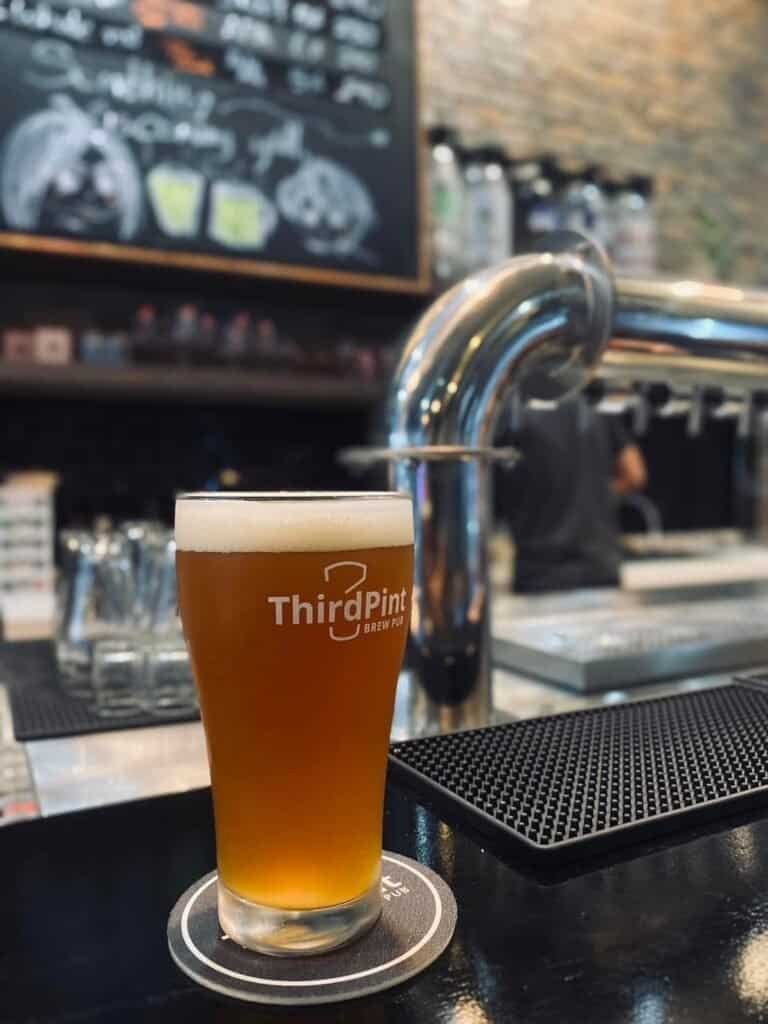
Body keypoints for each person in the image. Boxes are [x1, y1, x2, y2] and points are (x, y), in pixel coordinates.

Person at [497, 397, 647, 593]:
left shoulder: (514, 408)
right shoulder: (595, 401)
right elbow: (635, 474)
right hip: (600, 568)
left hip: (541, 573)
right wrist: (598, 496)